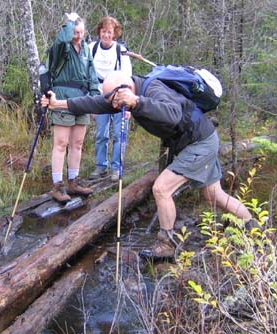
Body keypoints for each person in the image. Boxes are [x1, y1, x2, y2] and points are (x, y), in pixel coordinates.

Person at [41, 70, 256, 259]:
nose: (113, 105)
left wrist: (137, 102)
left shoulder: (153, 89)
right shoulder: (121, 95)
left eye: (114, 99)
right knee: (212, 195)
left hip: (199, 143)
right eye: (112, 100)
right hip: (193, 141)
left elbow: (173, 114)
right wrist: (58, 104)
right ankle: (251, 226)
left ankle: (167, 245)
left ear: (126, 88)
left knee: (161, 189)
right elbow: (95, 103)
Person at [48, 12, 100, 203]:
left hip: (82, 100)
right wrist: (69, 23)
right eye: (75, 32)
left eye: (81, 32)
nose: (78, 36)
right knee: (61, 144)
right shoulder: (63, 47)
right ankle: (57, 185)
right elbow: (61, 40)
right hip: (62, 98)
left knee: (77, 143)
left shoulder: (86, 49)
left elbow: (92, 75)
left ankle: (73, 181)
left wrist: (95, 97)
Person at [88, 16, 132, 182]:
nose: (106, 35)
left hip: (119, 96)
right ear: (99, 32)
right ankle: (101, 167)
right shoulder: (91, 48)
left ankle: (116, 168)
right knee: (101, 133)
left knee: (120, 134)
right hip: (99, 96)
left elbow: (128, 78)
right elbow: (87, 74)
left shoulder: (121, 51)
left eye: (109, 32)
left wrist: (127, 106)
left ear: (115, 34)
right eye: (103, 31)